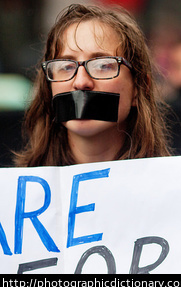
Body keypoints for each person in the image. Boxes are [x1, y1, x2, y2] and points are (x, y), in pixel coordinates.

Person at [14, 4, 172, 167]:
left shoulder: (170, 186)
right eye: (66, 66)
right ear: (49, 88)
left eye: (103, 65)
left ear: (139, 89)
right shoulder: (17, 188)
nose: (81, 82)